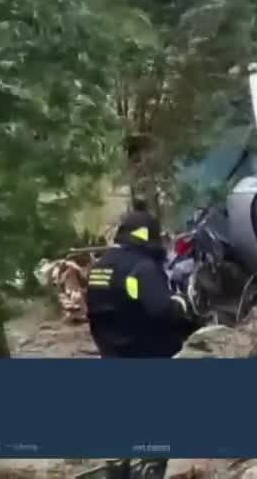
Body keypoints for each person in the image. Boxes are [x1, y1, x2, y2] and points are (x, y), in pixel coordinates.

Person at [87, 202, 197, 478]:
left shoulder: (100, 267)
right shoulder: (142, 268)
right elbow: (161, 309)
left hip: (113, 355)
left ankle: (118, 467)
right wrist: (185, 307)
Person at [87, 202, 198, 358]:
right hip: (145, 352)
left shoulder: (98, 267)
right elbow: (164, 310)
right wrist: (182, 303)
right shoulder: (142, 267)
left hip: (112, 352)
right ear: (149, 237)